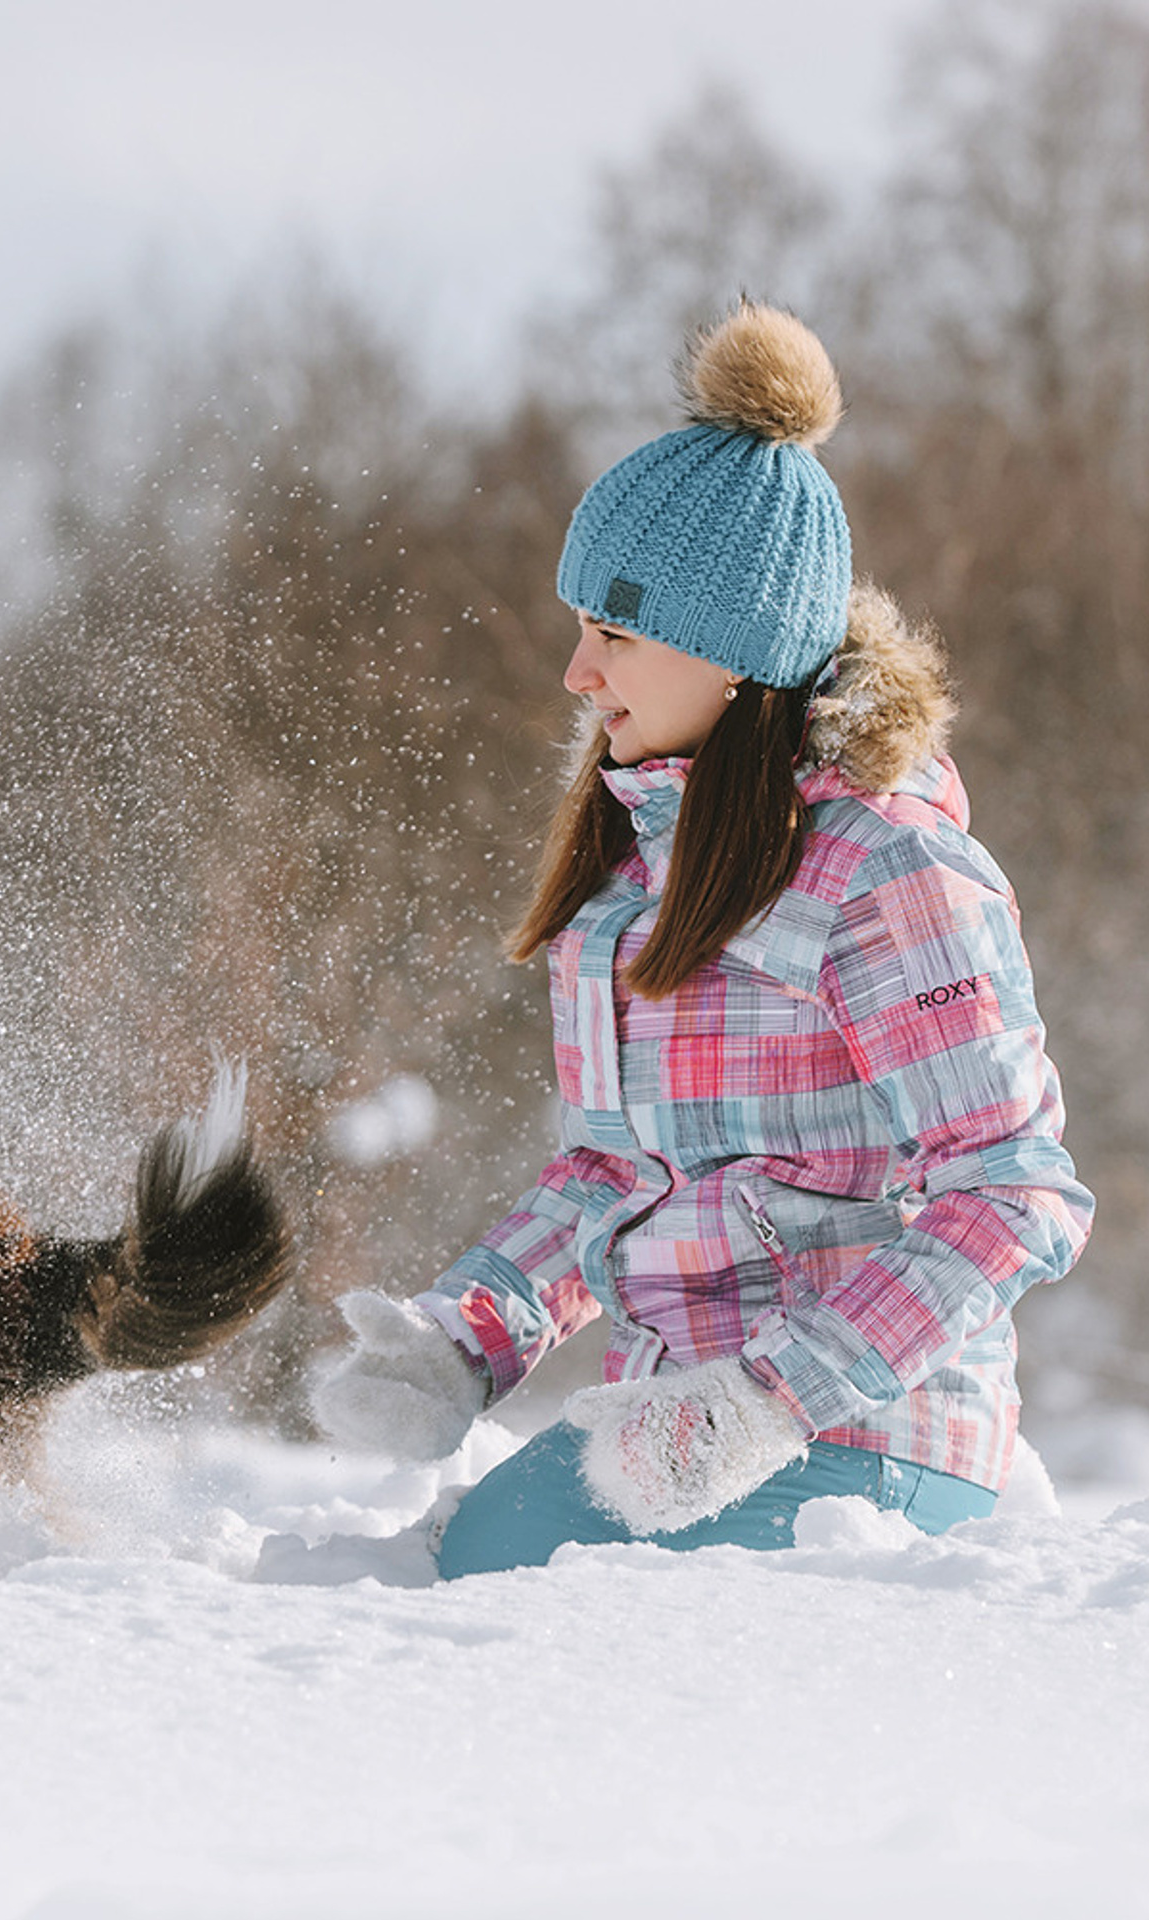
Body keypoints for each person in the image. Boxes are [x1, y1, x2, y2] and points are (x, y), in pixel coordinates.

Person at [312, 302, 1094, 1577]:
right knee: (450, 1566)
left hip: (866, 1434)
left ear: (736, 654)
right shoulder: (636, 880)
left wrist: (766, 1402)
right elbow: (616, 1183)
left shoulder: (888, 872)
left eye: (611, 633)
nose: (578, 673)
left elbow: (1011, 1191)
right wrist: (464, 1336)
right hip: (661, 1430)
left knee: (497, 1583)